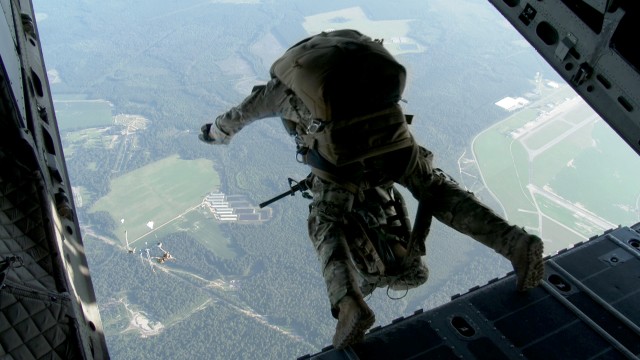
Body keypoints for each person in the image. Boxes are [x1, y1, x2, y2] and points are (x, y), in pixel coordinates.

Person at [200, 29, 544, 349]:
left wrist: (214, 134)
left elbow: (235, 118)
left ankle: (348, 303)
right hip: (394, 138)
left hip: (342, 157)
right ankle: (514, 242)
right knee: (435, 190)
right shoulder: (360, 60)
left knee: (326, 222)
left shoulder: (280, 88)